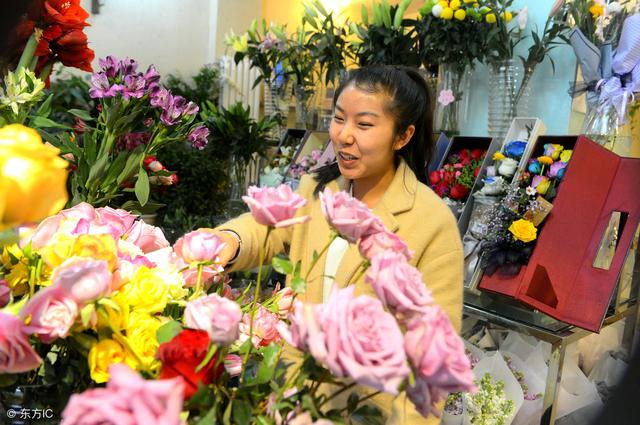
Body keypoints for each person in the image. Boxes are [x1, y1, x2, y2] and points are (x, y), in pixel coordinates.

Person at [210, 65, 464, 424]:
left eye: (363, 125)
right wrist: (228, 240)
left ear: (403, 136)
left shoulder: (431, 222)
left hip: (365, 409)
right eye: (338, 119)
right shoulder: (319, 188)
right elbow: (267, 225)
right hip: (293, 397)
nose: (343, 136)